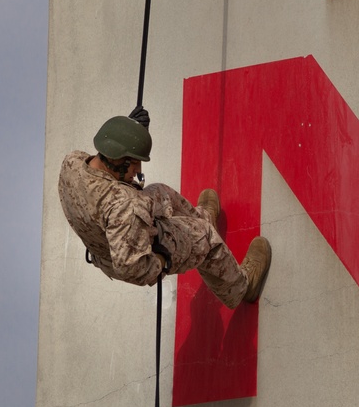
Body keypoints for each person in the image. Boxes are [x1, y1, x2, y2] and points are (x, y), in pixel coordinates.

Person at [58, 109, 271, 309]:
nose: (138, 170)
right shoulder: (125, 206)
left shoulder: (72, 162)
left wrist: (131, 136)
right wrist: (161, 259)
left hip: (108, 233)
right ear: (116, 159)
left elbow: (111, 191)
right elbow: (132, 268)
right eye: (133, 163)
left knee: (159, 192)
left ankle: (202, 218)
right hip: (134, 252)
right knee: (204, 237)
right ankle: (241, 288)